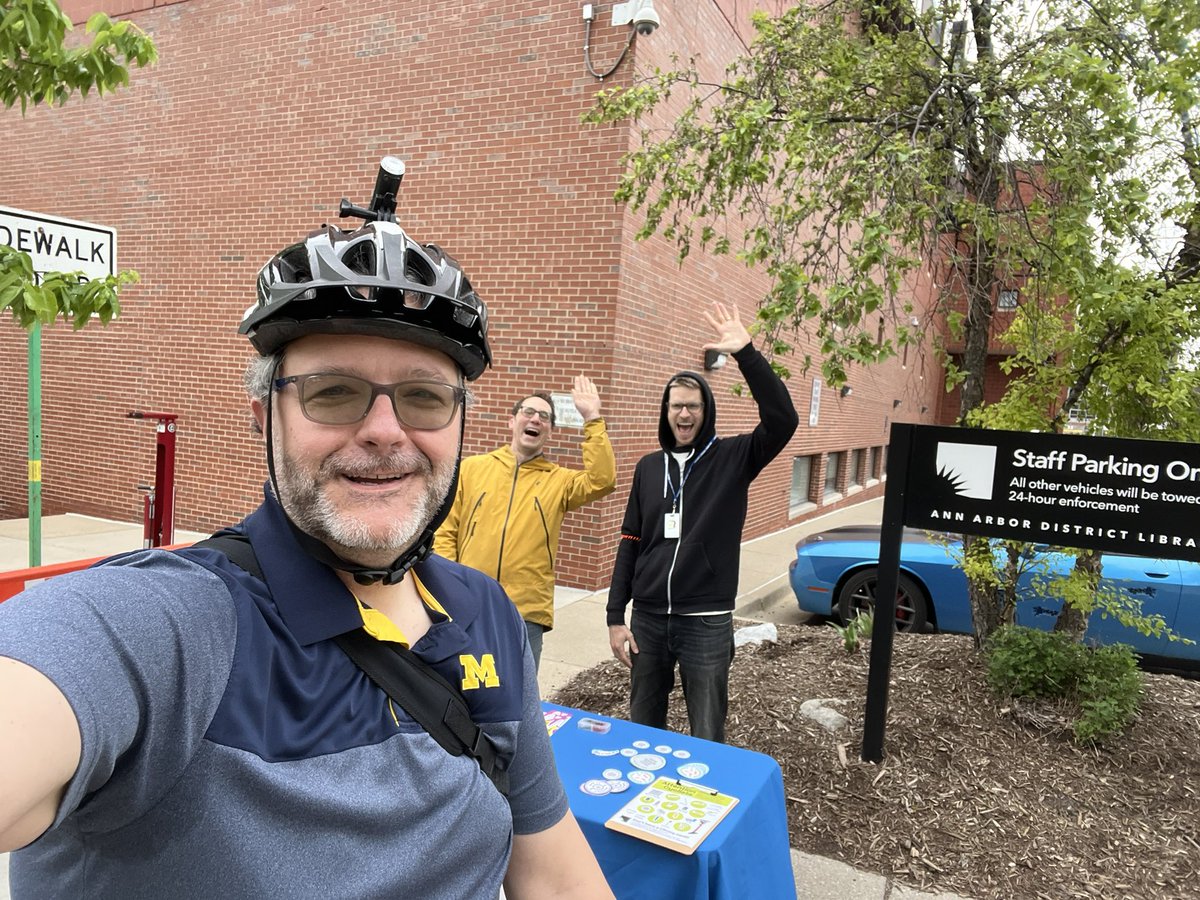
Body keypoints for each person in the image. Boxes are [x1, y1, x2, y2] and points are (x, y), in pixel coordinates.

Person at [0, 205, 613, 899]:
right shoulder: (168, 624)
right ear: (267, 418)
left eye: (422, 396)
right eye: (333, 393)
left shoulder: (486, 612)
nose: (385, 431)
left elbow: (558, 881)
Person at [606, 301, 798, 743]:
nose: (684, 415)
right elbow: (630, 540)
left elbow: (783, 420)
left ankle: (702, 803)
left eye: (693, 406)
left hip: (706, 621)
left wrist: (746, 353)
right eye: (676, 407)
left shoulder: (734, 458)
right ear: (665, 412)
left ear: (706, 409)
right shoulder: (649, 467)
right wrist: (617, 615)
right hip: (649, 620)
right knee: (644, 729)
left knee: (707, 733)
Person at [435, 378, 616, 670]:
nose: (536, 419)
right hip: (470, 603)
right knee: (462, 691)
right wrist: (452, 586)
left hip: (527, 610)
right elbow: (446, 531)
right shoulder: (472, 469)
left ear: (550, 431)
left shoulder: (560, 481)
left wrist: (592, 419)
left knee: (521, 698)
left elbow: (602, 480)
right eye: (529, 412)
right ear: (512, 421)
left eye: (544, 417)